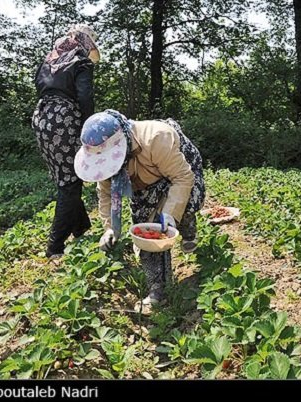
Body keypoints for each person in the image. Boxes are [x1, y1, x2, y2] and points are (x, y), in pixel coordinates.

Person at [74, 110, 205, 311]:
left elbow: (182, 178)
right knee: (146, 234)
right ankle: (157, 289)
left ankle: (188, 228)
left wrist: (169, 215)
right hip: (142, 181)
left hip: (177, 170)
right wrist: (109, 228)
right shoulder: (105, 163)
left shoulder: (157, 138)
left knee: (182, 208)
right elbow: (106, 195)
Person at [32, 24, 100, 258]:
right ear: (86, 42)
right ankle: (55, 247)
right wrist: (89, 130)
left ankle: (80, 227)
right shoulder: (81, 61)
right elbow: (85, 97)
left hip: (42, 118)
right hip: (64, 120)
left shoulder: (49, 60)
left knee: (66, 177)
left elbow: (40, 88)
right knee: (71, 183)